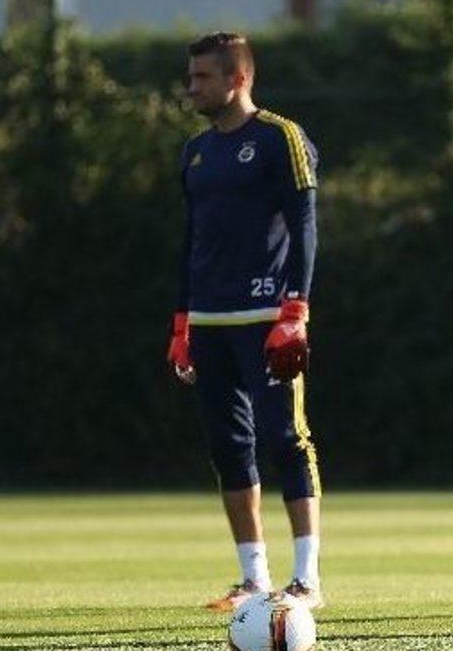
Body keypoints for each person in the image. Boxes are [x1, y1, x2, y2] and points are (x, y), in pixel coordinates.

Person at [165, 31, 323, 611]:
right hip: (209, 321)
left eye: (202, 77)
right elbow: (191, 241)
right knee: (228, 447)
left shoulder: (281, 137)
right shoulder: (196, 152)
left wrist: (295, 310)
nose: (191, 88)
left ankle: (306, 579)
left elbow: (304, 226)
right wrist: (181, 325)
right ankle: (254, 577)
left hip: (266, 316)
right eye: (190, 77)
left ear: (238, 79)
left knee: (286, 438)